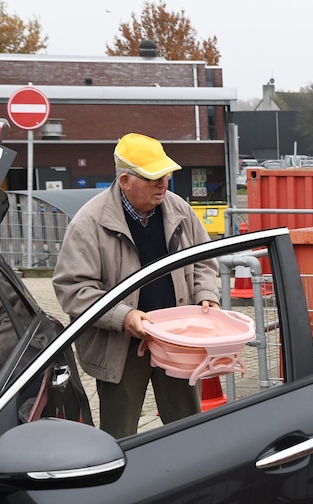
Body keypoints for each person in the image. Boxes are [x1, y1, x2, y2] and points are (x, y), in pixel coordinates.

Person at [53, 133, 220, 438]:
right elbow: (74, 290)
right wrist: (125, 318)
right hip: (120, 346)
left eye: (166, 174)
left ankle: (188, 477)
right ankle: (122, 482)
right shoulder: (88, 223)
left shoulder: (179, 209)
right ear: (125, 180)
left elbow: (204, 260)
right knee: (121, 433)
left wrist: (207, 295)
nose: (163, 183)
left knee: (187, 427)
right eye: (153, 177)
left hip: (176, 339)